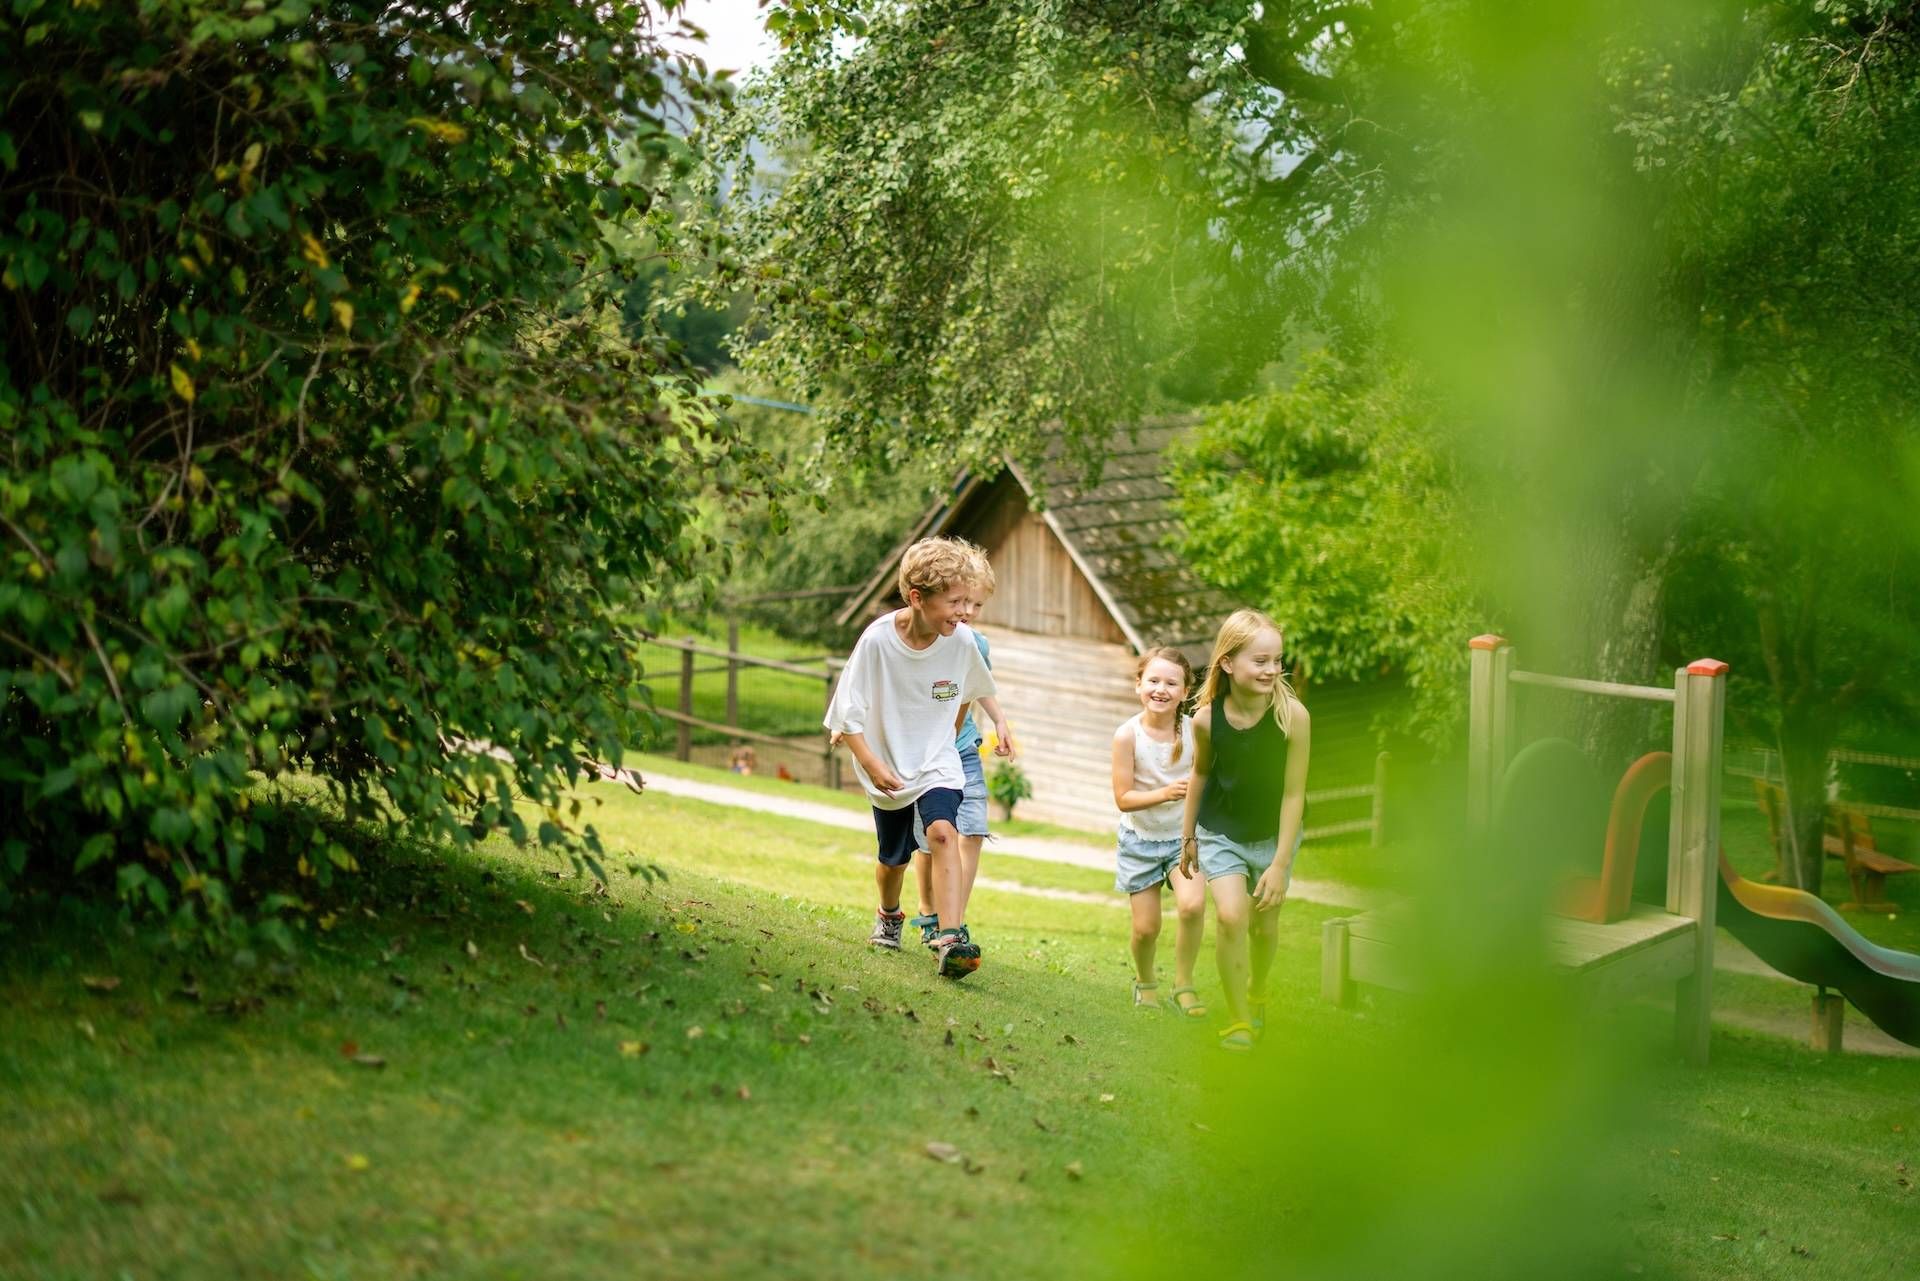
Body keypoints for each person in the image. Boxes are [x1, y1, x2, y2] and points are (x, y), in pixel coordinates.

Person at [824, 537, 1005, 978]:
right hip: (885, 765)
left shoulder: (961, 642)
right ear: (918, 598)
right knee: (894, 859)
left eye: (968, 601)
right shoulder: (878, 641)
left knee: (944, 832)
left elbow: (969, 692)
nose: (964, 612)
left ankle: (950, 937)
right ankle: (889, 914)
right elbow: (847, 714)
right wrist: (870, 763)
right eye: (955, 601)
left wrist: (943, 734)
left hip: (936, 761)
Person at [1178, 609, 1310, 1052]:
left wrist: (1278, 864)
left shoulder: (1293, 718)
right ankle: (1239, 1021)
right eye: (1260, 660)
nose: (1272, 669)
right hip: (1221, 833)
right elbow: (1199, 775)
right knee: (1233, 917)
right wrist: (1188, 837)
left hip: (1274, 837)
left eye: (1276, 660)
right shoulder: (1205, 720)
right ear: (1229, 663)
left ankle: (1257, 989)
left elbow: (1294, 796)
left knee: (1264, 929)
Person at [907, 543, 1014, 952]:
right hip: (924, 753)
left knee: (971, 832)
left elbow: (979, 685)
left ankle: (955, 923)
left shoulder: (976, 643)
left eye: (976, 604)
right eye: (961, 600)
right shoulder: (923, 640)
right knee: (930, 841)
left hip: (964, 748)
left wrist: (1001, 720)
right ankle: (929, 910)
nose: (967, 611)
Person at [1111, 647, 1209, 1016]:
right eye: (1153, 680)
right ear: (1139, 685)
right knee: (1147, 929)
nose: (1161, 689)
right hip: (1140, 841)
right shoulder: (1127, 736)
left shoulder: (1195, 732)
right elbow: (1123, 798)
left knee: (1193, 905)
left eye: (1172, 683)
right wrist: (1165, 793)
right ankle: (1145, 980)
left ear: (1185, 691)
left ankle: (1184, 984)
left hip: (1183, 839)